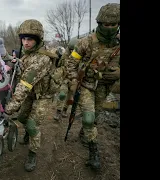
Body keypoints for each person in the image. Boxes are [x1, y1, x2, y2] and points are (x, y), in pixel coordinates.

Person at [64, 3, 120, 171]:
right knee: (89, 118)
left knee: (93, 118)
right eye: (105, 25)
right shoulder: (86, 42)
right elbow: (70, 63)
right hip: (87, 85)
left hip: (105, 88)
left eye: (113, 25)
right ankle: (94, 153)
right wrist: (74, 82)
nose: (109, 28)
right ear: (99, 24)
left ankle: (84, 133)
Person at [4, 19, 58, 172]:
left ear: (38, 40)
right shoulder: (28, 54)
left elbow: (24, 84)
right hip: (31, 94)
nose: (25, 43)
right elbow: (22, 73)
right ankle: (28, 132)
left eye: (30, 39)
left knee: (32, 125)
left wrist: (10, 108)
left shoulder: (42, 58)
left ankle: (32, 153)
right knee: (22, 118)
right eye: (23, 38)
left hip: (43, 96)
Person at [53, 38, 78, 121]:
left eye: (73, 50)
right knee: (62, 94)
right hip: (65, 78)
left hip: (74, 79)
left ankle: (65, 110)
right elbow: (60, 65)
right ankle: (58, 111)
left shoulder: (80, 55)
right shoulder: (64, 55)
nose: (71, 51)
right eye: (70, 49)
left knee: (70, 97)